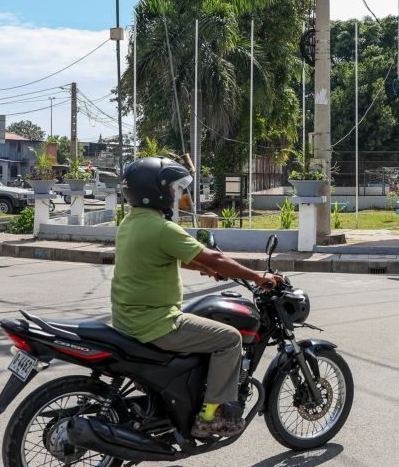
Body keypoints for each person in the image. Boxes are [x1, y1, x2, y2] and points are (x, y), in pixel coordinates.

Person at [111, 156, 284, 439]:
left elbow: (164, 257)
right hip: (156, 323)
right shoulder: (162, 228)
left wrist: (203, 267)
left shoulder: (130, 223)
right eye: (172, 188)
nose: (175, 194)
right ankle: (210, 417)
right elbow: (215, 256)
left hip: (128, 319)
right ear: (155, 190)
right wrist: (257, 277)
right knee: (230, 339)